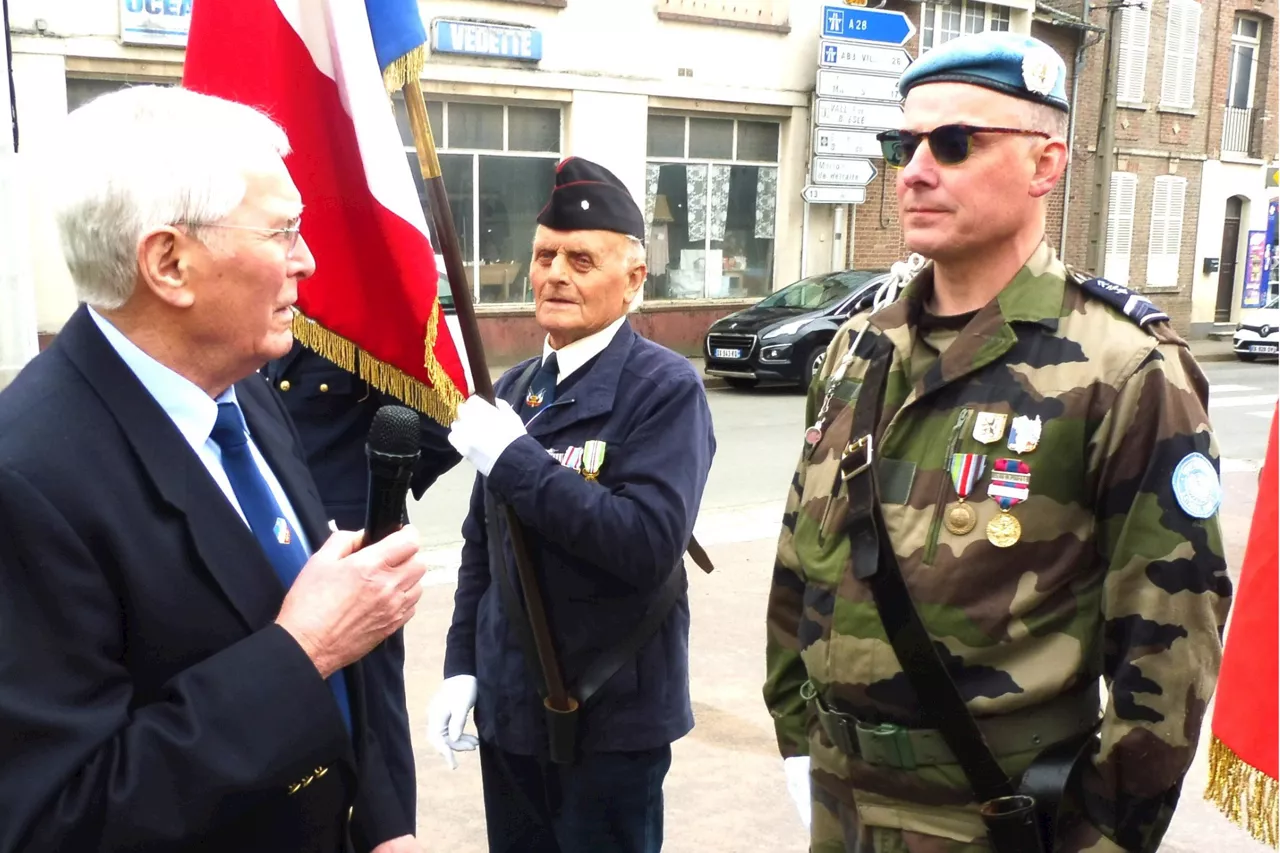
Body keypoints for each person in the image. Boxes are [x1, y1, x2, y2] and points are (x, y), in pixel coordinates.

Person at [762, 33, 1233, 853]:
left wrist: (1105, 837)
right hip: (842, 802)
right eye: (901, 144)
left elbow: (1168, 639)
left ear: (1044, 165)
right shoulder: (857, 350)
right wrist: (800, 740)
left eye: (953, 143)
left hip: (992, 816)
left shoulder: (1123, 369)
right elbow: (802, 561)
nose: (913, 170)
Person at [0, 85, 428, 853]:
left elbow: (352, 639)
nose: (308, 259)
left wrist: (387, 821)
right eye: (283, 232)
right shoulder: (26, 478)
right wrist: (301, 652)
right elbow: (57, 819)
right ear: (169, 263)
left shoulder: (245, 393)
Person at [426, 156, 716, 853]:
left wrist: (516, 458)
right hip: (510, 710)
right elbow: (482, 546)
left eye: (581, 259)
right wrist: (462, 664)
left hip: (609, 715)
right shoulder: (519, 387)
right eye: (544, 255)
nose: (555, 273)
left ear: (634, 278)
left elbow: (644, 542)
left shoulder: (664, 389)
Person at [263, 341, 461, 819]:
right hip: (280, 540)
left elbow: (437, 424)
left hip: (358, 548)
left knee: (374, 714)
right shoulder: (270, 326)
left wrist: (380, 498)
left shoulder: (363, 319)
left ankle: (388, 830)